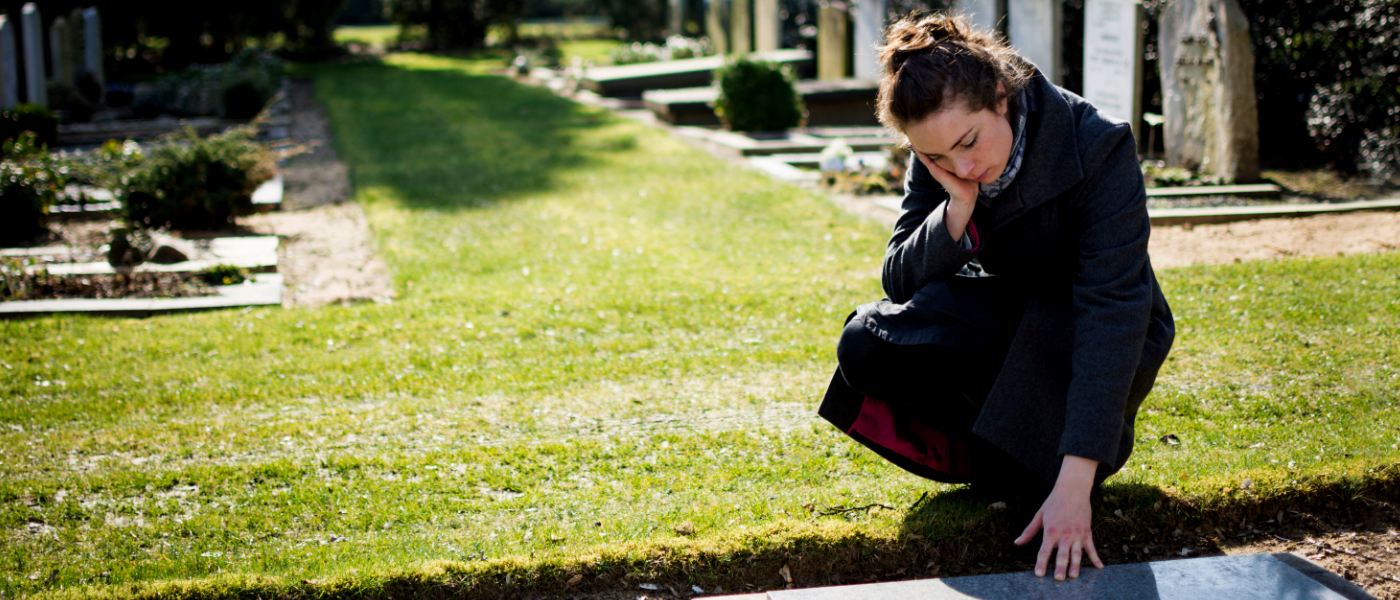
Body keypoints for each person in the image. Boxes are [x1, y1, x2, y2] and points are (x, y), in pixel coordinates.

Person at [816, 12, 1175, 582]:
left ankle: (1035, 458)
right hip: (994, 317)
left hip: (1078, 330)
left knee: (1037, 495)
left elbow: (1113, 314)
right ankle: (996, 450)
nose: (960, 165)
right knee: (865, 345)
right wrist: (956, 208)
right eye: (935, 157)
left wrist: (1075, 484)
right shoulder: (938, 144)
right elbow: (899, 277)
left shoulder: (1099, 145)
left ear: (1002, 97)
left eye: (968, 143)